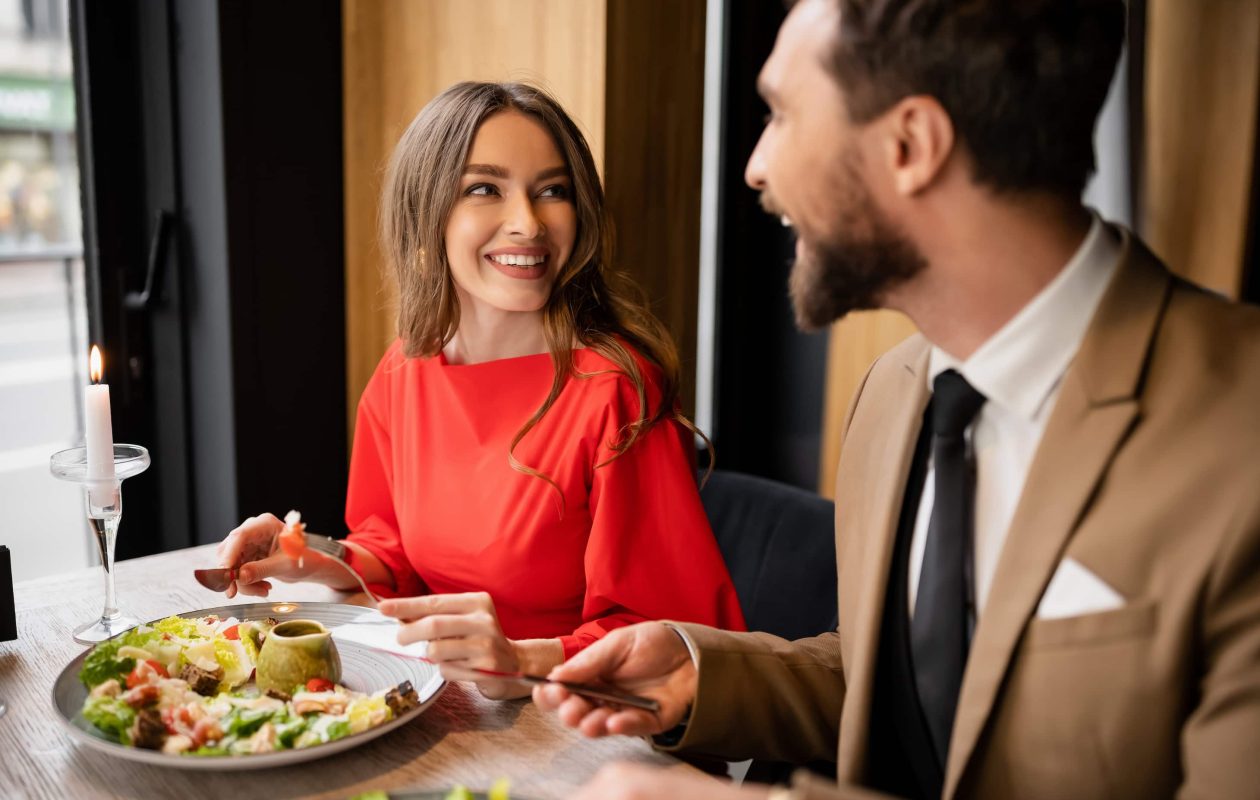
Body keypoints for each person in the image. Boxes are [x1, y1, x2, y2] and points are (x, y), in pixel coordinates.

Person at [535, 0, 1260, 797]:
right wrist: (706, 676)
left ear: (910, 145)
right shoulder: (894, 393)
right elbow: (899, 682)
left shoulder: (1238, 437)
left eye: (780, 113)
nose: (756, 166)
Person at [214, 81, 745, 699]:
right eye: (484, 189)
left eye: (552, 190)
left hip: (587, 727)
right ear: (426, 216)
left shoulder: (615, 391)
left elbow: (672, 642)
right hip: (449, 707)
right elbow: (393, 553)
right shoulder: (401, 373)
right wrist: (310, 555)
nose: (528, 222)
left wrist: (520, 660)